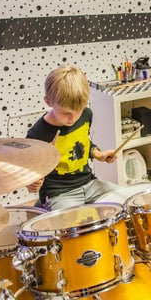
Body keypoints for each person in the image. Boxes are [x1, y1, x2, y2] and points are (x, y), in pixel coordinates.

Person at [26, 65, 118, 211]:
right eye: (66, 113)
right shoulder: (37, 134)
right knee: (74, 222)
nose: (73, 118)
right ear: (48, 102)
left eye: (79, 110)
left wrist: (99, 155)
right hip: (59, 192)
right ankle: (45, 207)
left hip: (89, 184)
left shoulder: (86, 114)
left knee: (123, 201)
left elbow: (83, 142)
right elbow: (30, 169)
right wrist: (31, 182)